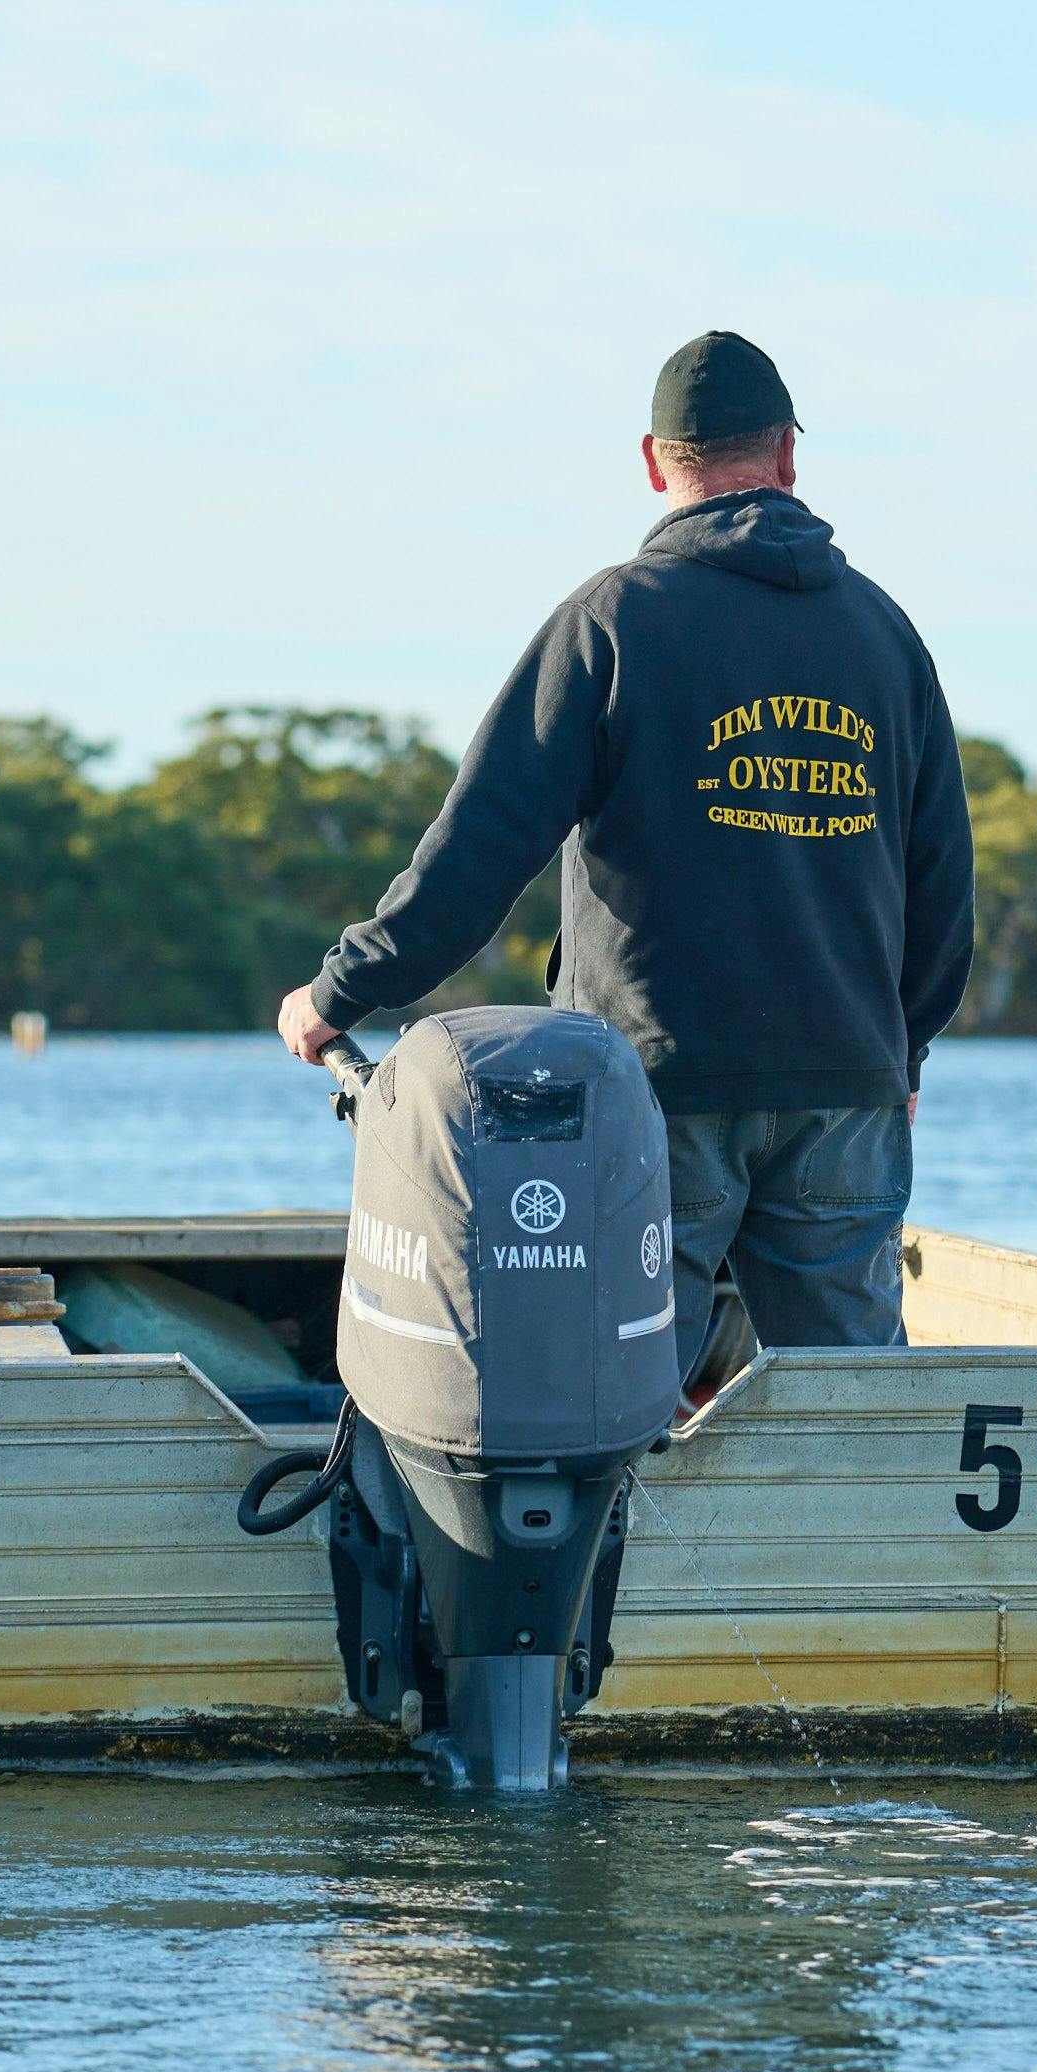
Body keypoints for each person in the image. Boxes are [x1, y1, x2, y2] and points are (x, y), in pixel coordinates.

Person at [277, 331, 973, 1375]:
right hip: (846, 1091)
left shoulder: (612, 622)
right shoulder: (885, 635)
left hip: (653, 1091)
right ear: (787, 454)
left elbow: (481, 845)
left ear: (654, 463)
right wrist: (900, 1053)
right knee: (854, 1405)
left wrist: (342, 991)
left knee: (621, 1395)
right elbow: (944, 886)